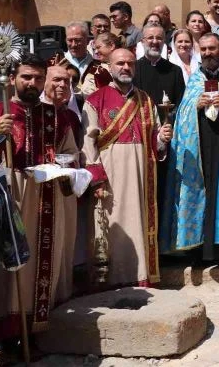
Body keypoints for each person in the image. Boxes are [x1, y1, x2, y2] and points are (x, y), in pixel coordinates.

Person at [0, 54, 80, 359]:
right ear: (12, 79)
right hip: (10, 198)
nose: (32, 83)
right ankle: (8, 340)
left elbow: (70, 154)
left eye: (38, 78)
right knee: (10, 271)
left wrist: (64, 169)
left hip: (46, 199)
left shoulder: (58, 117)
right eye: (26, 77)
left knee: (40, 268)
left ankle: (35, 332)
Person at [82, 49, 173, 288]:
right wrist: (97, 178)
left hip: (141, 174)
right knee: (111, 224)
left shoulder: (145, 99)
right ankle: (111, 282)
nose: (125, 67)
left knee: (138, 223)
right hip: (110, 175)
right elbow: (87, 143)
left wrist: (162, 138)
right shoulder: (95, 100)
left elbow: (154, 142)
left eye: (130, 63)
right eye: (120, 63)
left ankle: (140, 277)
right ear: (110, 67)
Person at [161, 33, 219, 262]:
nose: (207, 54)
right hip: (200, 145)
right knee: (201, 191)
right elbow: (181, 112)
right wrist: (195, 105)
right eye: (203, 50)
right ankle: (199, 249)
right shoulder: (195, 79)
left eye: (211, 49)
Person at [49, 21, 113, 96]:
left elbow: (107, 95)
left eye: (78, 40)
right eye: (70, 40)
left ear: (87, 40)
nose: (73, 45)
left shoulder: (99, 67)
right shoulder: (52, 63)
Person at [132, 24, 186, 112]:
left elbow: (180, 104)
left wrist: (169, 121)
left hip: (168, 123)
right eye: (150, 38)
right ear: (142, 41)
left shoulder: (175, 71)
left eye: (159, 38)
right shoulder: (133, 69)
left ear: (164, 42)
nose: (155, 41)